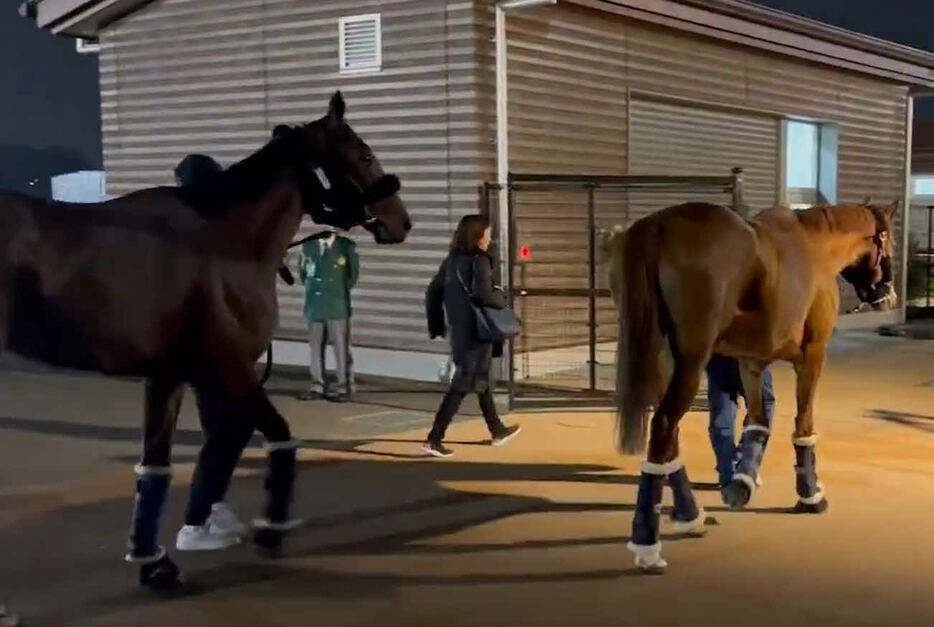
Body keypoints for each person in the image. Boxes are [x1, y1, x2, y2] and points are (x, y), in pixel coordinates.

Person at [423, 214, 521, 457]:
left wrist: (436, 325)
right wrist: (503, 299)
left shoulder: (451, 261)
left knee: (480, 379)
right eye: (487, 233)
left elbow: (432, 293)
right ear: (477, 236)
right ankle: (434, 438)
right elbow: (484, 295)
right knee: (463, 383)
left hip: (460, 330)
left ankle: (497, 429)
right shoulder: (480, 260)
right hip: (477, 331)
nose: (490, 238)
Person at [298, 230, 359, 402]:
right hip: (314, 305)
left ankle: (344, 386)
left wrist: (335, 293)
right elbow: (303, 275)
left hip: (336, 306)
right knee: (315, 349)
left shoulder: (346, 246)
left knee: (341, 349)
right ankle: (317, 385)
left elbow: (351, 277)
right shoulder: (307, 246)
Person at [706, 355, 775, 494]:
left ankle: (727, 471)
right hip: (750, 350)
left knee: (722, 408)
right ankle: (743, 466)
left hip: (719, 348)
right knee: (763, 403)